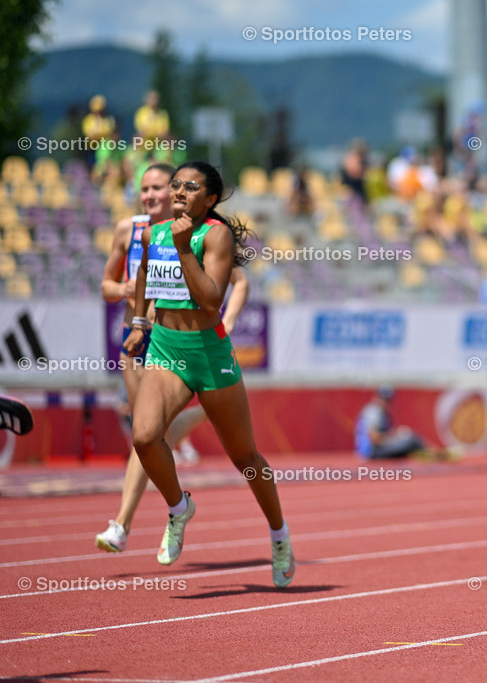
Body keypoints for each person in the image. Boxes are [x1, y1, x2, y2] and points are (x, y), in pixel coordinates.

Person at [124, 161, 294, 588]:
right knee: (144, 437)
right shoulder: (152, 233)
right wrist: (140, 325)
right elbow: (144, 273)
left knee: (246, 459)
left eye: (190, 187)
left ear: (210, 199)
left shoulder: (213, 235)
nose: (178, 192)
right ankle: (179, 507)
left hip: (209, 353)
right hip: (165, 349)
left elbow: (211, 301)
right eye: (176, 185)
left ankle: (279, 534)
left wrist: (185, 250)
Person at [95, 163, 246, 553]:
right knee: (144, 432)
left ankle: (125, 522)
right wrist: (126, 290)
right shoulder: (132, 231)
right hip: (139, 336)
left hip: (182, 340)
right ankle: (135, 518)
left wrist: (224, 320)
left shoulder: (201, 232)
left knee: (152, 432)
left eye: (159, 188)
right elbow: (106, 285)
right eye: (145, 189)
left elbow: (236, 282)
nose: (151, 196)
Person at [354, 386, 431, 460]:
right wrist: (396, 437)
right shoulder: (374, 412)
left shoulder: (380, 412)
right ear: (377, 397)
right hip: (371, 452)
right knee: (410, 441)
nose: (386, 402)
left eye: (388, 400)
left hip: (374, 450)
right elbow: (375, 438)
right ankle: (430, 453)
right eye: (384, 399)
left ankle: (428, 452)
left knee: (409, 439)